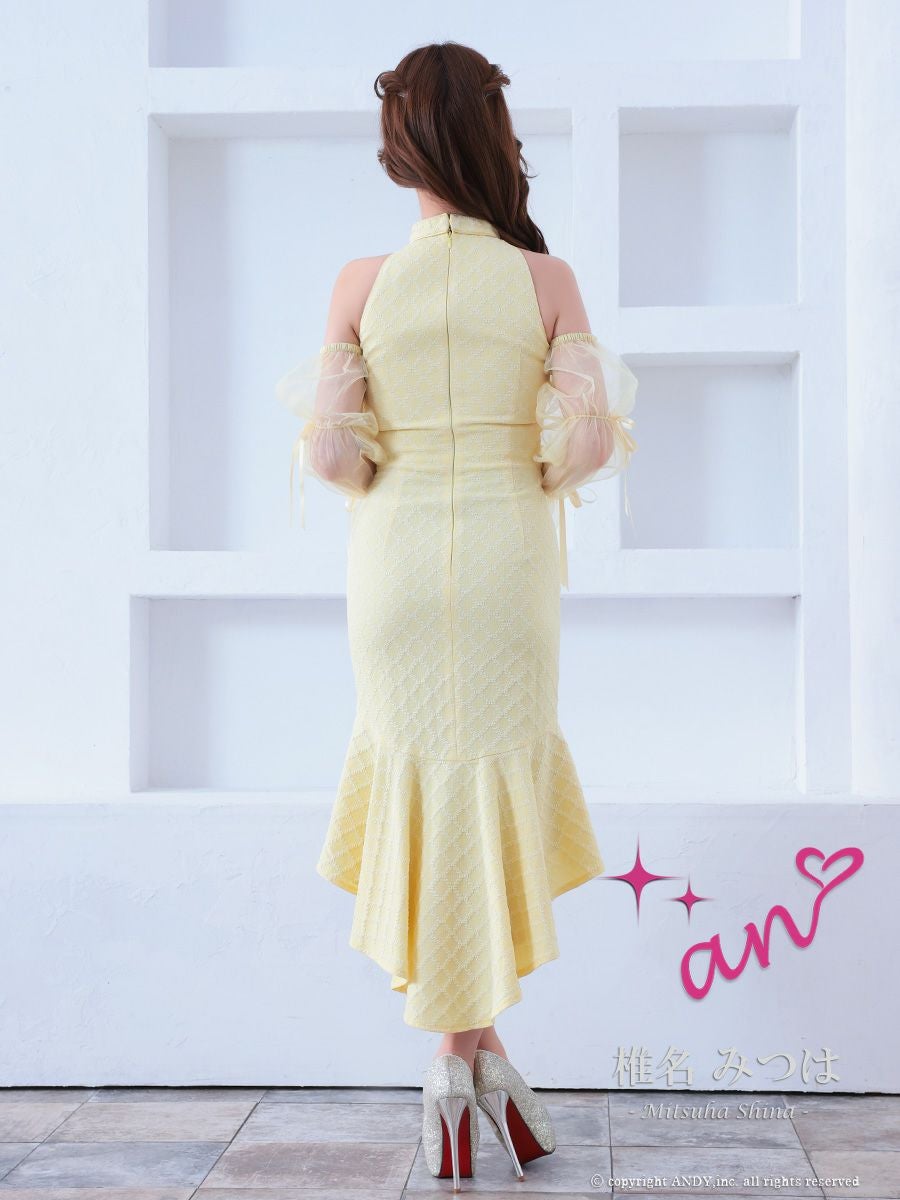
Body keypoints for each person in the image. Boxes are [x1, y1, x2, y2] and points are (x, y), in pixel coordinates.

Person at [276, 40, 637, 1192]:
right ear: (495, 139)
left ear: (400, 148)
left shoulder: (358, 283)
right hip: (504, 563)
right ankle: (461, 1058)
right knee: (487, 782)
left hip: (390, 567)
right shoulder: (545, 280)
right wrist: (516, 459)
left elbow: (333, 458)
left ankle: (464, 1063)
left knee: (426, 781)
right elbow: (584, 445)